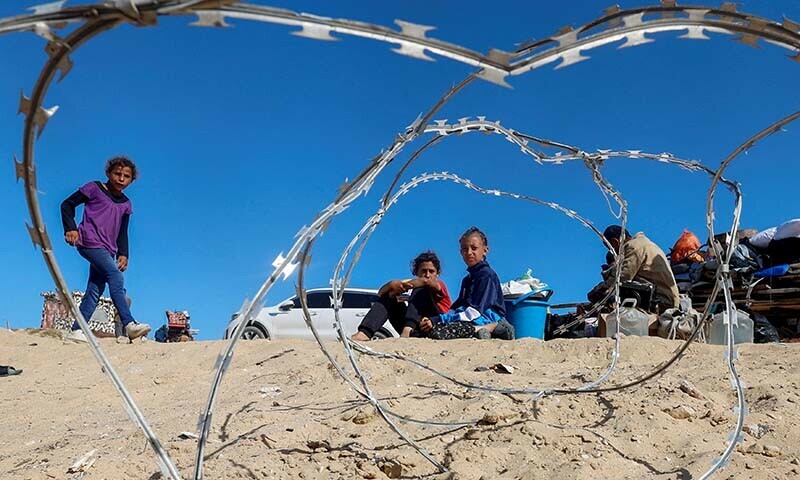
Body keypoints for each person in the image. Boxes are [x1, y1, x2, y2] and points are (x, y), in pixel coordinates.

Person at [60, 156, 151, 343]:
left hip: (109, 249)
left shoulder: (126, 204)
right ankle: (129, 323)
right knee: (115, 276)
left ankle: (77, 331)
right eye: (117, 173)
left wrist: (124, 253)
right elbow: (67, 204)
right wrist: (70, 227)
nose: (121, 178)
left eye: (126, 176)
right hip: (89, 241)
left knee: (95, 290)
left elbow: (122, 231)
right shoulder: (94, 188)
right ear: (108, 173)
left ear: (131, 180)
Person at [419, 226, 514, 340]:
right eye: (465, 249)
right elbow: (459, 305)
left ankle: (492, 328)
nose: (469, 252)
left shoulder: (486, 275)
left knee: (440, 332)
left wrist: (439, 320)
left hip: (485, 317)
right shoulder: (467, 279)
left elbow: (475, 311)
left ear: (485, 251)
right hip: (470, 317)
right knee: (427, 330)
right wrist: (436, 319)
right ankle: (481, 331)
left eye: (474, 248)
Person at [351, 251, 451, 341]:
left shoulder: (439, 285)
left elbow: (425, 282)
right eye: (424, 271)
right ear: (416, 272)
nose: (427, 275)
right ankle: (365, 333)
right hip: (417, 328)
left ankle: (408, 329)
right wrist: (391, 284)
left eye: (431, 271)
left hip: (435, 325)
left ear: (437, 274)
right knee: (390, 297)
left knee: (422, 288)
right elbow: (381, 293)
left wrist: (405, 285)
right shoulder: (411, 286)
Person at [593, 225, 680, 314]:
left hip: (662, 301)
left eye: (611, 248)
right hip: (667, 298)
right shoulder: (643, 243)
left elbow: (622, 277)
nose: (614, 252)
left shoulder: (634, 246)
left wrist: (601, 289)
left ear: (615, 242)